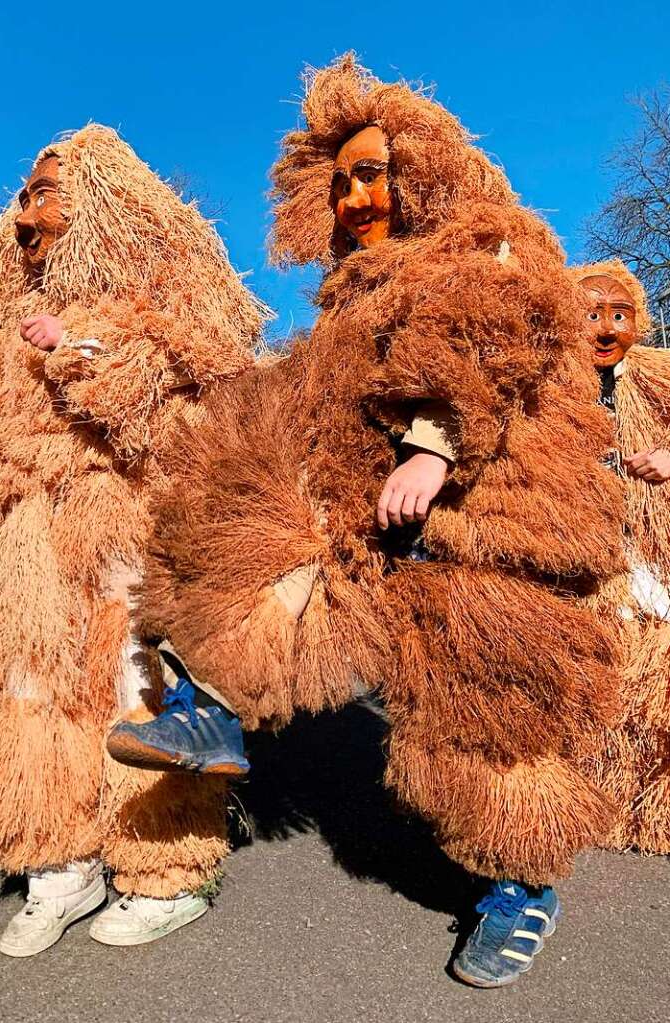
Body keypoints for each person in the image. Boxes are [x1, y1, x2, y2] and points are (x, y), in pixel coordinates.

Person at [109, 55, 626, 987]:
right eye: (339, 180)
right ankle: (211, 708)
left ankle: (522, 880)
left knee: (482, 718)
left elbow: (490, 332)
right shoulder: (349, 291)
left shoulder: (490, 240)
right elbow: (316, 403)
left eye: (371, 173)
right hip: (385, 515)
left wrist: (435, 442)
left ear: (421, 165)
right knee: (253, 542)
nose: (353, 196)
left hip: (495, 520)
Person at [0, 125, 264, 956]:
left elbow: (191, 397)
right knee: (35, 690)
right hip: (30, 542)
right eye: (23, 195)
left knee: (132, 688)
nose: (23, 213)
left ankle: (164, 872)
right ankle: (57, 858)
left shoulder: (163, 306)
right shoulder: (12, 326)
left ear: (104, 207)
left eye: (45, 193)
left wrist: (80, 349)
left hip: (120, 529)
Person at [573, 260, 670, 854]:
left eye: (619, 315)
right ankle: (596, 804)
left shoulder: (660, 377)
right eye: (591, 315)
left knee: (656, 674)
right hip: (583, 554)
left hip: (650, 552)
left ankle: (653, 809)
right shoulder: (545, 386)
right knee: (597, 676)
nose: (607, 330)